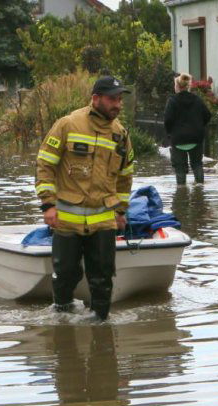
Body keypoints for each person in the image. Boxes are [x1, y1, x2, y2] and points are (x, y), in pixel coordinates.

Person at [35, 75, 135, 321]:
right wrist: (48, 204)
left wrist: (121, 211)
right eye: (112, 99)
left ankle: (101, 322)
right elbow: (45, 164)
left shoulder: (120, 134)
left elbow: (125, 175)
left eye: (120, 99)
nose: (117, 104)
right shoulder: (68, 124)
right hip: (67, 218)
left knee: (103, 275)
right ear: (95, 99)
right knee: (66, 272)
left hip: (103, 219)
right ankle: (62, 319)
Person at [163, 72, 211, 185]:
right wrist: (199, 127)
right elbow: (207, 115)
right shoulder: (197, 100)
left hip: (178, 139)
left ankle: (181, 195)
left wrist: (170, 133)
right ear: (187, 86)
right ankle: (200, 193)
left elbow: (167, 120)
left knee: (180, 168)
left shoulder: (172, 101)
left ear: (177, 86)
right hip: (196, 138)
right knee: (197, 165)